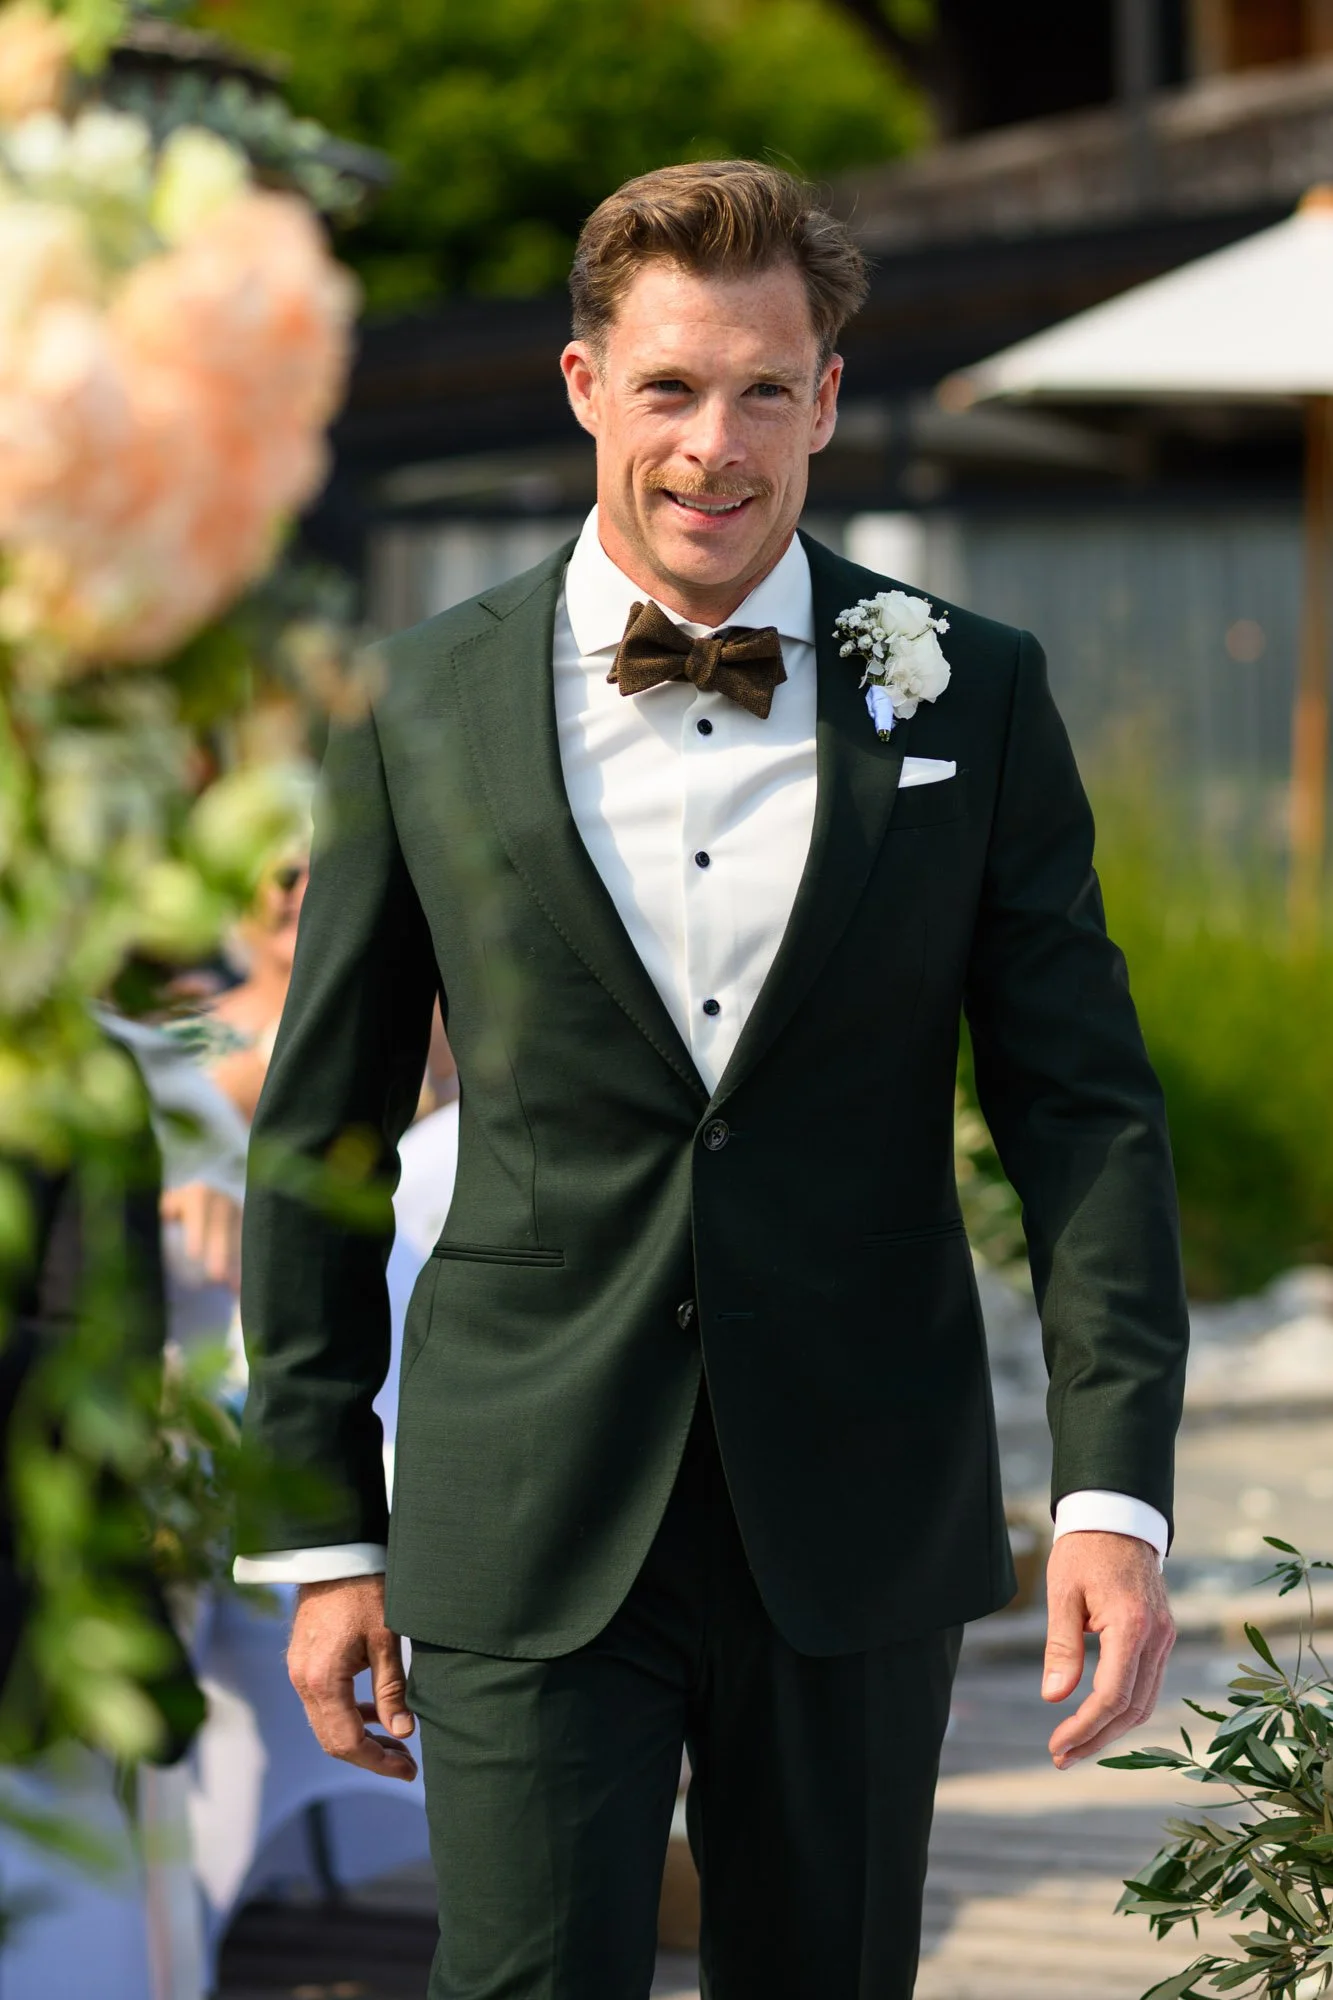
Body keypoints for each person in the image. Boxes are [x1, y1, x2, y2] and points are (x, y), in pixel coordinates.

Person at [235, 161, 1189, 1999]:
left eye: (764, 390)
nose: (714, 446)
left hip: (861, 1505)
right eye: (670, 387)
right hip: (522, 1505)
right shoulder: (413, 701)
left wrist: (1111, 1498)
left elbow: (1085, 1115)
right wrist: (323, 1526)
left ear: (827, 399)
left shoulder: (974, 693)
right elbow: (324, 1134)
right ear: (585, 385)